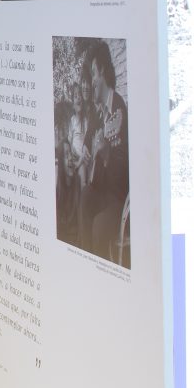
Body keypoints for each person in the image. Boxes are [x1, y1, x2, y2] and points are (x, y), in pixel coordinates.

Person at [79, 39, 128, 265]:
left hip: (117, 198)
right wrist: (87, 151)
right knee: (86, 195)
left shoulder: (119, 112)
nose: (91, 82)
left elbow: (123, 179)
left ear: (104, 74)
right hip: (101, 191)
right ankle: (84, 260)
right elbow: (89, 137)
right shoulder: (99, 114)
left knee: (99, 226)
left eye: (94, 74)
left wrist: (106, 155)